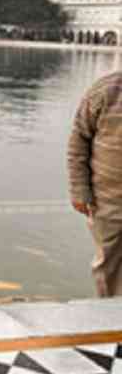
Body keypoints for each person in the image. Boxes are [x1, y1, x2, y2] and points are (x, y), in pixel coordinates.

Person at [67, 71, 122, 297]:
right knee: (108, 263)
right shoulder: (106, 90)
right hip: (108, 200)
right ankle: (108, 318)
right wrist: (79, 190)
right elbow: (79, 139)